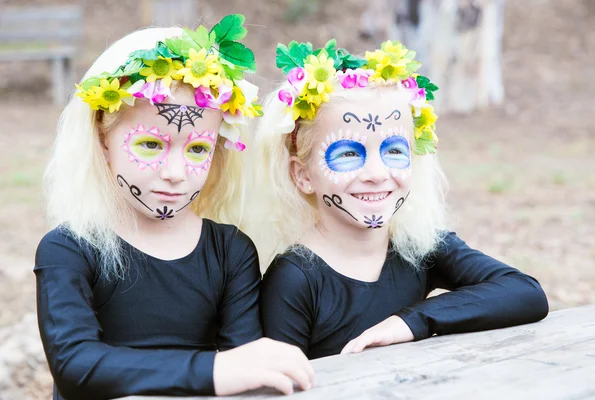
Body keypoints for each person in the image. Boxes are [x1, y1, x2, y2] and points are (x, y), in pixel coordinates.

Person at [34, 16, 314, 400]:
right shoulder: (69, 248)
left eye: (198, 149)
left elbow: (245, 364)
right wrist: (213, 370)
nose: (175, 173)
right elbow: (75, 367)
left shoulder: (231, 251)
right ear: (102, 140)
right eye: (150, 144)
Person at [251, 39, 549, 360]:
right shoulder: (295, 278)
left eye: (393, 151)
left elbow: (525, 293)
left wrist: (409, 321)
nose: (377, 173)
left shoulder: (418, 247)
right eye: (350, 153)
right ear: (303, 175)